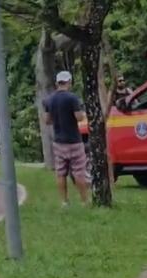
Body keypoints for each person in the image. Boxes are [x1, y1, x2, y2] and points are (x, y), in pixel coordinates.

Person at [43, 71, 89, 207]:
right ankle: (84, 201)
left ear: (57, 83)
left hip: (59, 141)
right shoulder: (72, 98)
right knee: (79, 172)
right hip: (74, 140)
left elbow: (47, 120)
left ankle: (64, 201)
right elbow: (79, 117)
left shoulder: (49, 100)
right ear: (69, 82)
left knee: (61, 172)